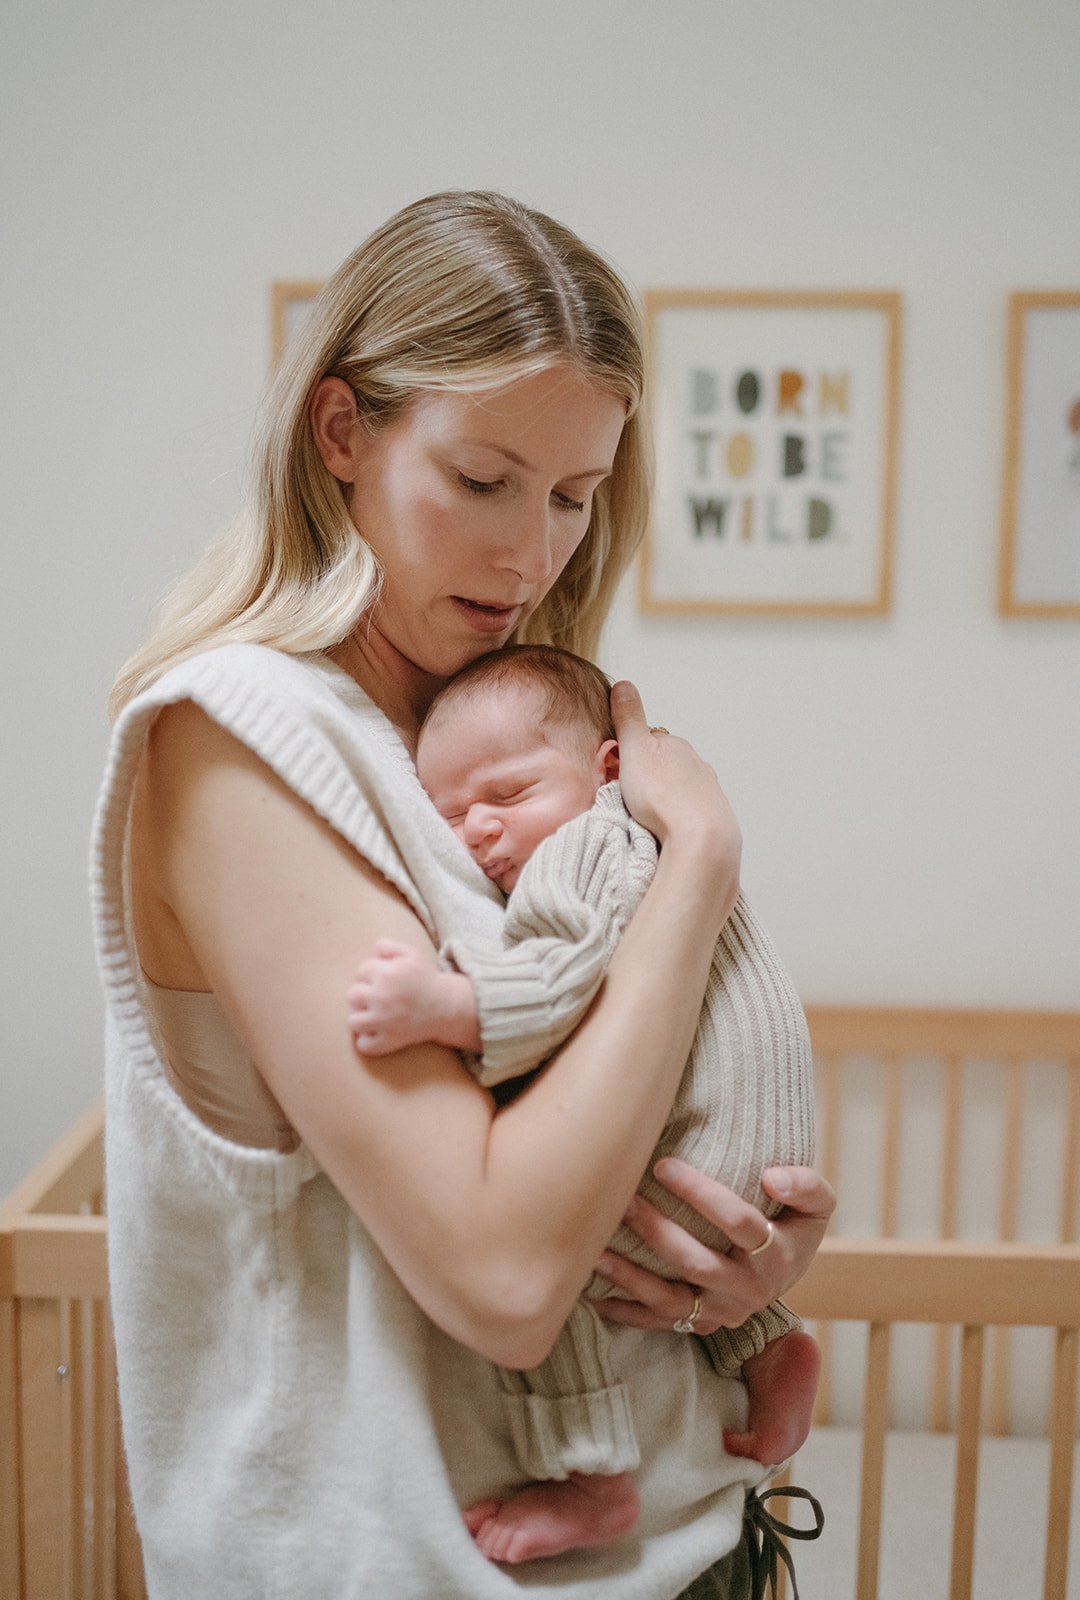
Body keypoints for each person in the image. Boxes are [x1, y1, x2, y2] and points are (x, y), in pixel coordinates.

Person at [92, 189, 834, 1600]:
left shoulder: (477, 735)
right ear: (343, 436)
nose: (532, 553)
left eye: (574, 494)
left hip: (691, 1543)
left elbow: (607, 1073)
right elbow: (501, 1276)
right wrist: (702, 868)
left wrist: (739, 1241)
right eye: (484, 481)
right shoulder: (243, 736)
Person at [346, 642, 821, 1565]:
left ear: (608, 768)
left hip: (687, 1161)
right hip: (756, 1163)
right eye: (451, 815)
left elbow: (560, 973)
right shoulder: (658, 838)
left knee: (539, 1263)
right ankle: (767, 1349)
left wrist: (450, 1005)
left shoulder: (585, 846)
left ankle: (593, 1472)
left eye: (510, 795)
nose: (480, 830)